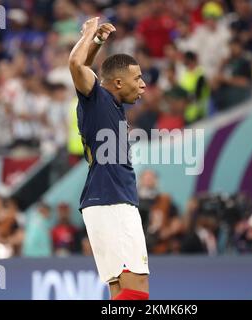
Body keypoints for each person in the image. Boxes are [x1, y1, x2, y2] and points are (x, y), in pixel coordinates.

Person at [68, 17, 149, 300]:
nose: (143, 85)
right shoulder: (98, 100)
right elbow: (77, 66)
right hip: (112, 201)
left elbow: (87, 69)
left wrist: (98, 43)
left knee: (120, 291)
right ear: (118, 82)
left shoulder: (108, 103)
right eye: (137, 78)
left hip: (104, 203)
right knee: (136, 289)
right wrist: (89, 34)